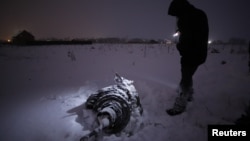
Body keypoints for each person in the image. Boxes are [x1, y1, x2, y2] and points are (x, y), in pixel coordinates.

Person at [166, 0, 209, 115]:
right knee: (188, 75)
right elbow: (199, 34)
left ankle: (180, 105)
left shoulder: (185, 18)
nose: (176, 17)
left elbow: (187, 39)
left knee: (185, 78)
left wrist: (180, 46)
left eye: (175, 14)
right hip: (200, 53)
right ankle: (188, 95)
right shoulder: (200, 14)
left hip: (190, 54)